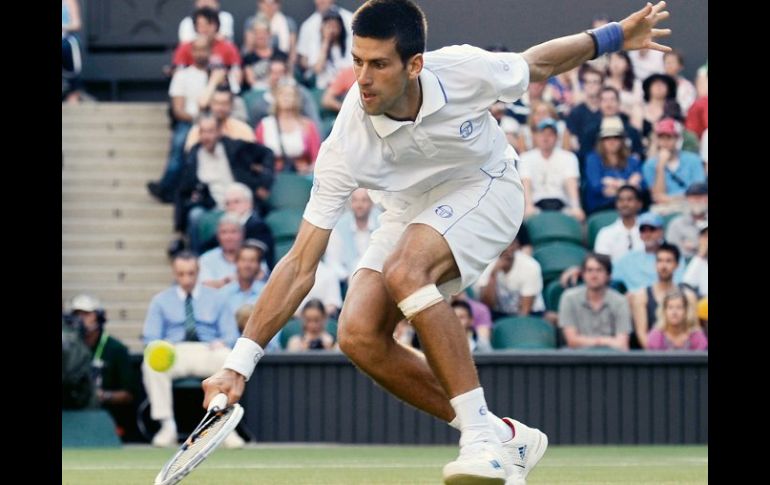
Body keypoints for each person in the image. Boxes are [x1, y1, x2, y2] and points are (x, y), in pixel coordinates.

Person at [201, 2, 672, 483]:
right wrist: (238, 364)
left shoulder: (464, 69)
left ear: (414, 64)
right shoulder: (345, 143)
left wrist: (616, 36)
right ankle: (503, 434)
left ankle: (480, 442)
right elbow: (302, 262)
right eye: (357, 61)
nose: (362, 78)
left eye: (379, 64)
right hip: (408, 209)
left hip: (487, 185)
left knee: (405, 270)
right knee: (358, 334)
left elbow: (540, 61)